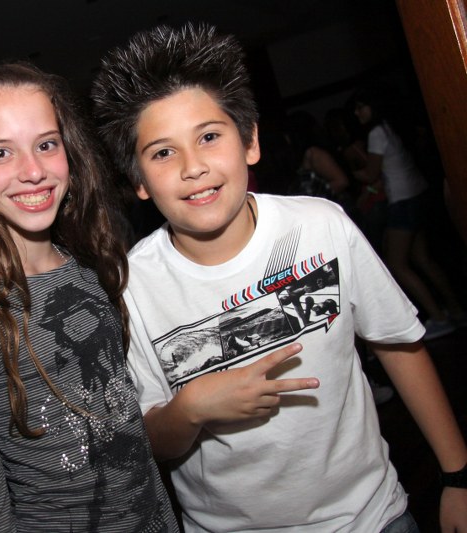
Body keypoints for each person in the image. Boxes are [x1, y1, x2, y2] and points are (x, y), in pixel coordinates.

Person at [91, 23, 467, 532]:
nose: (192, 166)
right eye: (162, 152)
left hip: (373, 517)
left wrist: (457, 475)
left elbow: (397, 343)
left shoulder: (319, 226)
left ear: (250, 142)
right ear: (138, 181)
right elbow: (152, 440)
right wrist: (192, 407)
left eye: (209, 137)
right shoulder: (133, 287)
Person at [0, 62, 179, 532]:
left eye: (46, 144)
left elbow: (139, 455)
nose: (33, 171)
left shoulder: (91, 269)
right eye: (0, 153)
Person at [353, 85, 464, 340]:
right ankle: (456, 310)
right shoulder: (390, 127)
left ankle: (439, 318)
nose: (357, 113)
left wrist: (351, 173)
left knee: (397, 264)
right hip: (416, 195)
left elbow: (370, 174)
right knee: (422, 259)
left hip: (403, 201)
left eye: (360, 107)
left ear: (373, 106)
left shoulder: (376, 133)